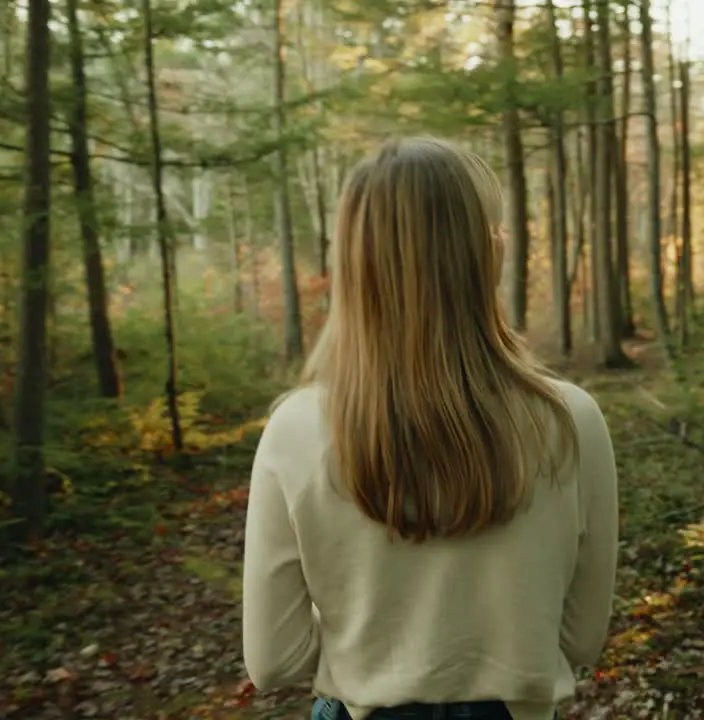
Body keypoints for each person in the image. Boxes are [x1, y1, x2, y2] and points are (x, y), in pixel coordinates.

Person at [241, 136, 619, 720]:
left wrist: (371, 639)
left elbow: (273, 660)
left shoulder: (296, 428)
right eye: (496, 231)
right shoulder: (570, 419)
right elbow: (580, 640)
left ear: (354, 263)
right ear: (484, 258)